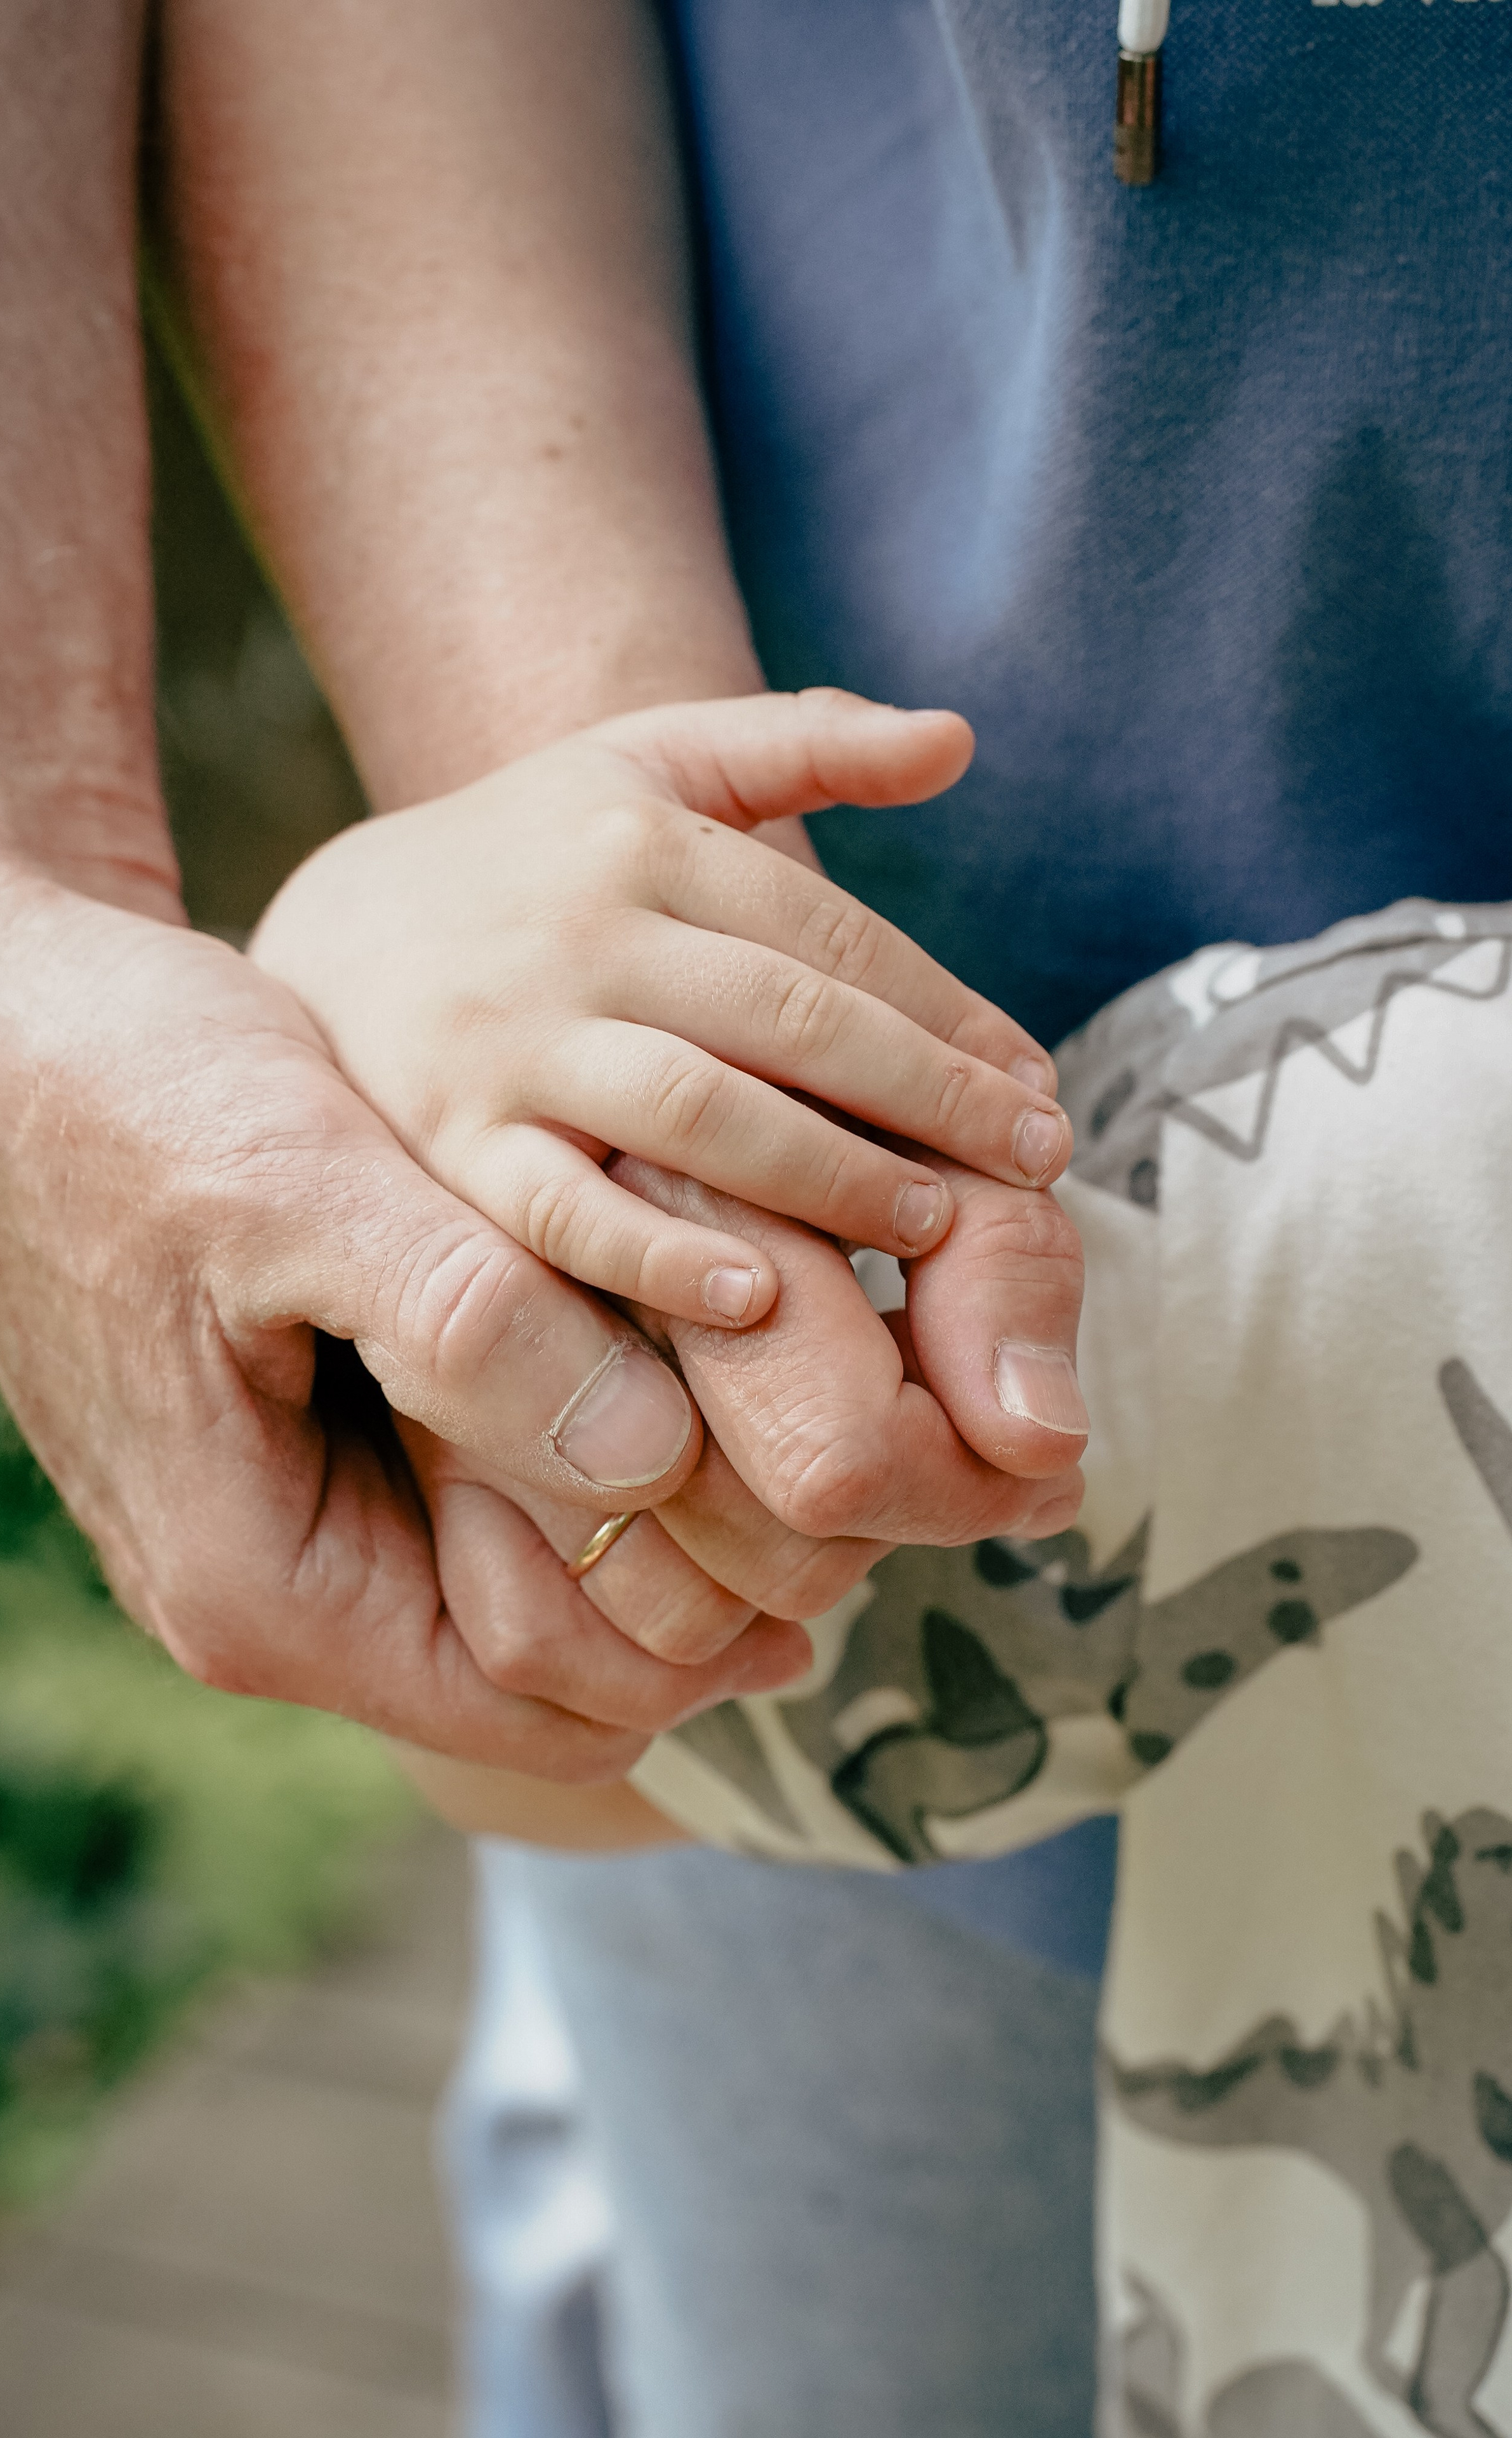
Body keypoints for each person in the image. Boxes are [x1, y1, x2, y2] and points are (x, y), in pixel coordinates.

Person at [149, 1, 1512, 2431]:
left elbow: (549, 1703)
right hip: (895, 1097)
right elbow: (571, 1697)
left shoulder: (1397, 1207)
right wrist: (565, 974)